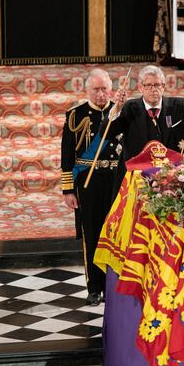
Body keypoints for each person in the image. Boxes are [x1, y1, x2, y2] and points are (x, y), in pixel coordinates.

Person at [61, 68, 124, 306]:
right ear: (87, 90)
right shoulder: (75, 115)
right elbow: (67, 155)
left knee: (116, 232)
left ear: (111, 89)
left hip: (117, 178)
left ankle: (113, 285)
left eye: (104, 89)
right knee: (93, 233)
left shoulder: (120, 112)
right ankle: (95, 287)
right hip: (89, 182)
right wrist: (68, 190)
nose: (101, 94)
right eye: (96, 89)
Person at [104, 64, 184, 190]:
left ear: (163, 87)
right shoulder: (130, 108)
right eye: (148, 85)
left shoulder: (179, 106)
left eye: (157, 85)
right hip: (138, 177)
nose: (153, 89)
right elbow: (107, 133)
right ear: (140, 87)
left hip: (174, 177)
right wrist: (116, 109)